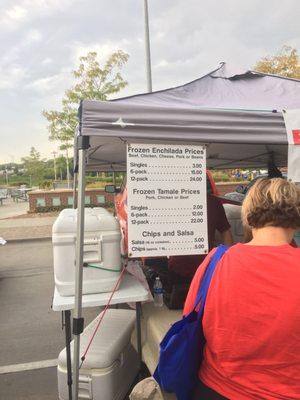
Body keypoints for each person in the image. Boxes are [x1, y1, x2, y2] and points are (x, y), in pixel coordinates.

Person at [184, 178, 300, 399]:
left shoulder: (216, 261)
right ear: (295, 218)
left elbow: (190, 318)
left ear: (248, 217)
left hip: (217, 389)